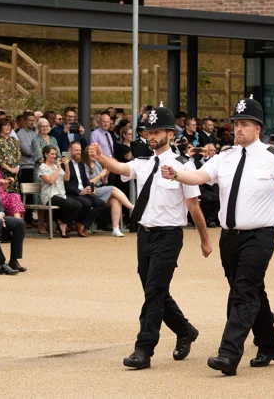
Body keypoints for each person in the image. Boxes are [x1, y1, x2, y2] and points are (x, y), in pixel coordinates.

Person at [162, 95, 274, 376]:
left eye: (244, 124)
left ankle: (229, 353)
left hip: (260, 235)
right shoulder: (225, 157)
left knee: (243, 292)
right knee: (250, 290)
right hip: (229, 237)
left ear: (257, 128)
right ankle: (268, 345)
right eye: (235, 124)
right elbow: (200, 177)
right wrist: (177, 175)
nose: (238, 129)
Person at [91, 103, 211, 369]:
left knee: (154, 291)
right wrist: (100, 157)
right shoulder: (143, 162)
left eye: (157, 132)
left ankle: (143, 349)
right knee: (153, 290)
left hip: (168, 235)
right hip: (144, 234)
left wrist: (204, 239)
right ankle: (185, 330)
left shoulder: (183, 165)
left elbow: (194, 206)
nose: (151, 136)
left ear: (170, 133)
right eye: (148, 132)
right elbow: (121, 169)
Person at [82, 145, 134, 237]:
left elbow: (104, 182)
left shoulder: (97, 163)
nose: (93, 154)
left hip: (100, 188)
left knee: (115, 201)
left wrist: (105, 176)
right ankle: (132, 207)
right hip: (91, 190)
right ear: (86, 153)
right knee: (113, 189)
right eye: (91, 152)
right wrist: (101, 175)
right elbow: (88, 183)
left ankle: (115, 228)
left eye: (94, 152)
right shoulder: (84, 165)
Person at [38, 145, 82, 238]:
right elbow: (50, 181)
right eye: (52, 154)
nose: (54, 156)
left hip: (60, 193)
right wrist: (58, 168)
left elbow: (66, 178)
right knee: (69, 204)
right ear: (46, 154)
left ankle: (62, 221)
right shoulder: (43, 167)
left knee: (78, 205)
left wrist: (66, 166)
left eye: (55, 154)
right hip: (49, 195)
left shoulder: (56, 166)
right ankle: (62, 224)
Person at [65, 141, 107, 237]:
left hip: (84, 191)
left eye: (80, 150)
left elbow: (85, 180)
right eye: (76, 150)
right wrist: (80, 192)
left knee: (101, 204)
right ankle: (77, 223)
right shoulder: (65, 164)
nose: (79, 152)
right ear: (70, 151)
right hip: (72, 193)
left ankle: (83, 224)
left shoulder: (81, 164)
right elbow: (66, 184)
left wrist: (91, 189)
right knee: (87, 204)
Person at [0, 118, 22, 195]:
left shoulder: (14, 140)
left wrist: (17, 167)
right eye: (5, 125)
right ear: (0, 127)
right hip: (2, 173)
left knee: (15, 195)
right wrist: (10, 169)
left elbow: (19, 155)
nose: (8, 127)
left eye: (9, 125)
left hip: (14, 174)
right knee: (4, 194)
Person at [0, 155, 26, 219]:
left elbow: (2, 188)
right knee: (11, 198)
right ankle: (18, 223)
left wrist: (7, 181)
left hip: (1, 194)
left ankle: (18, 221)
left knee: (15, 196)